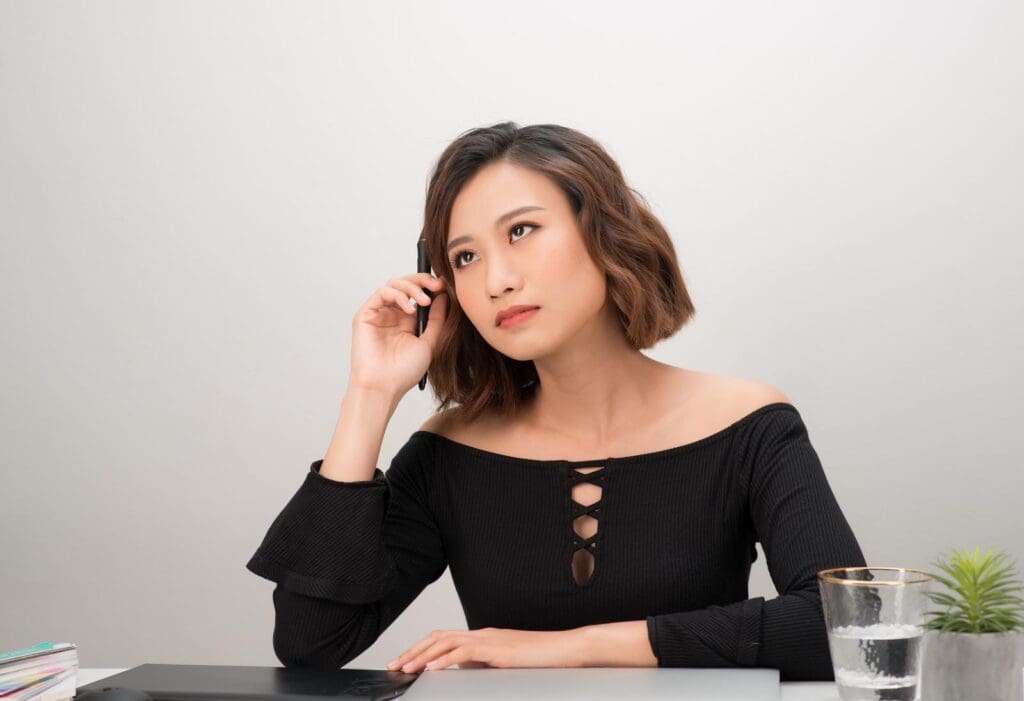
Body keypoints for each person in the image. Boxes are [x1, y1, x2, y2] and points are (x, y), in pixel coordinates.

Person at [246, 122, 866, 682]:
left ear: (603, 233)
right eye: (466, 257)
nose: (497, 280)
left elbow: (843, 628)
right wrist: (371, 394)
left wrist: (571, 646)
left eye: (521, 230)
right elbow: (310, 643)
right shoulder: (449, 455)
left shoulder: (747, 424)